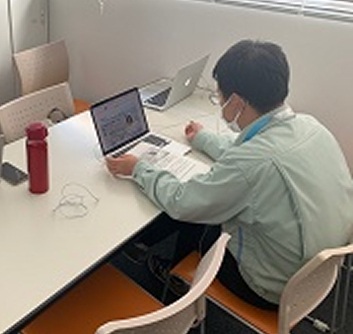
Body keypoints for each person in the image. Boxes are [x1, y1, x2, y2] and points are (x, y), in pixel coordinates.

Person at [107, 40, 353, 309]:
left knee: (199, 215)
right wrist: (203, 139)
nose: (220, 103)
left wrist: (139, 168)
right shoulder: (310, 126)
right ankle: (144, 243)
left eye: (220, 97)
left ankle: (173, 279)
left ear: (236, 102)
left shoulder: (251, 162)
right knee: (213, 197)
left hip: (271, 287)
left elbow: (183, 202)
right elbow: (254, 152)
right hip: (319, 274)